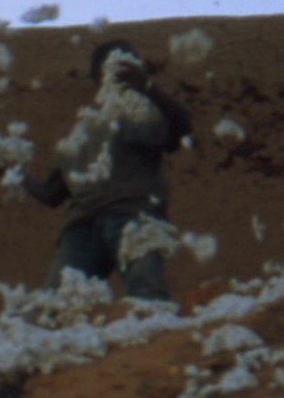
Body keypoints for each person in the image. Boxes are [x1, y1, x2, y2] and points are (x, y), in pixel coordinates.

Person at [19, 40, 192, 301]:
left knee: (147, 296)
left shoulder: (141, 112)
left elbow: (181, 132)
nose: (123, 74)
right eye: (117, 66)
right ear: (98, 76)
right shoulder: (83, 128)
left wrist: (148, 88)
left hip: (134, 215)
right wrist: (15, 174)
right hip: (83, 224)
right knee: (57, 303)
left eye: (131, 67)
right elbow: (53, 194)